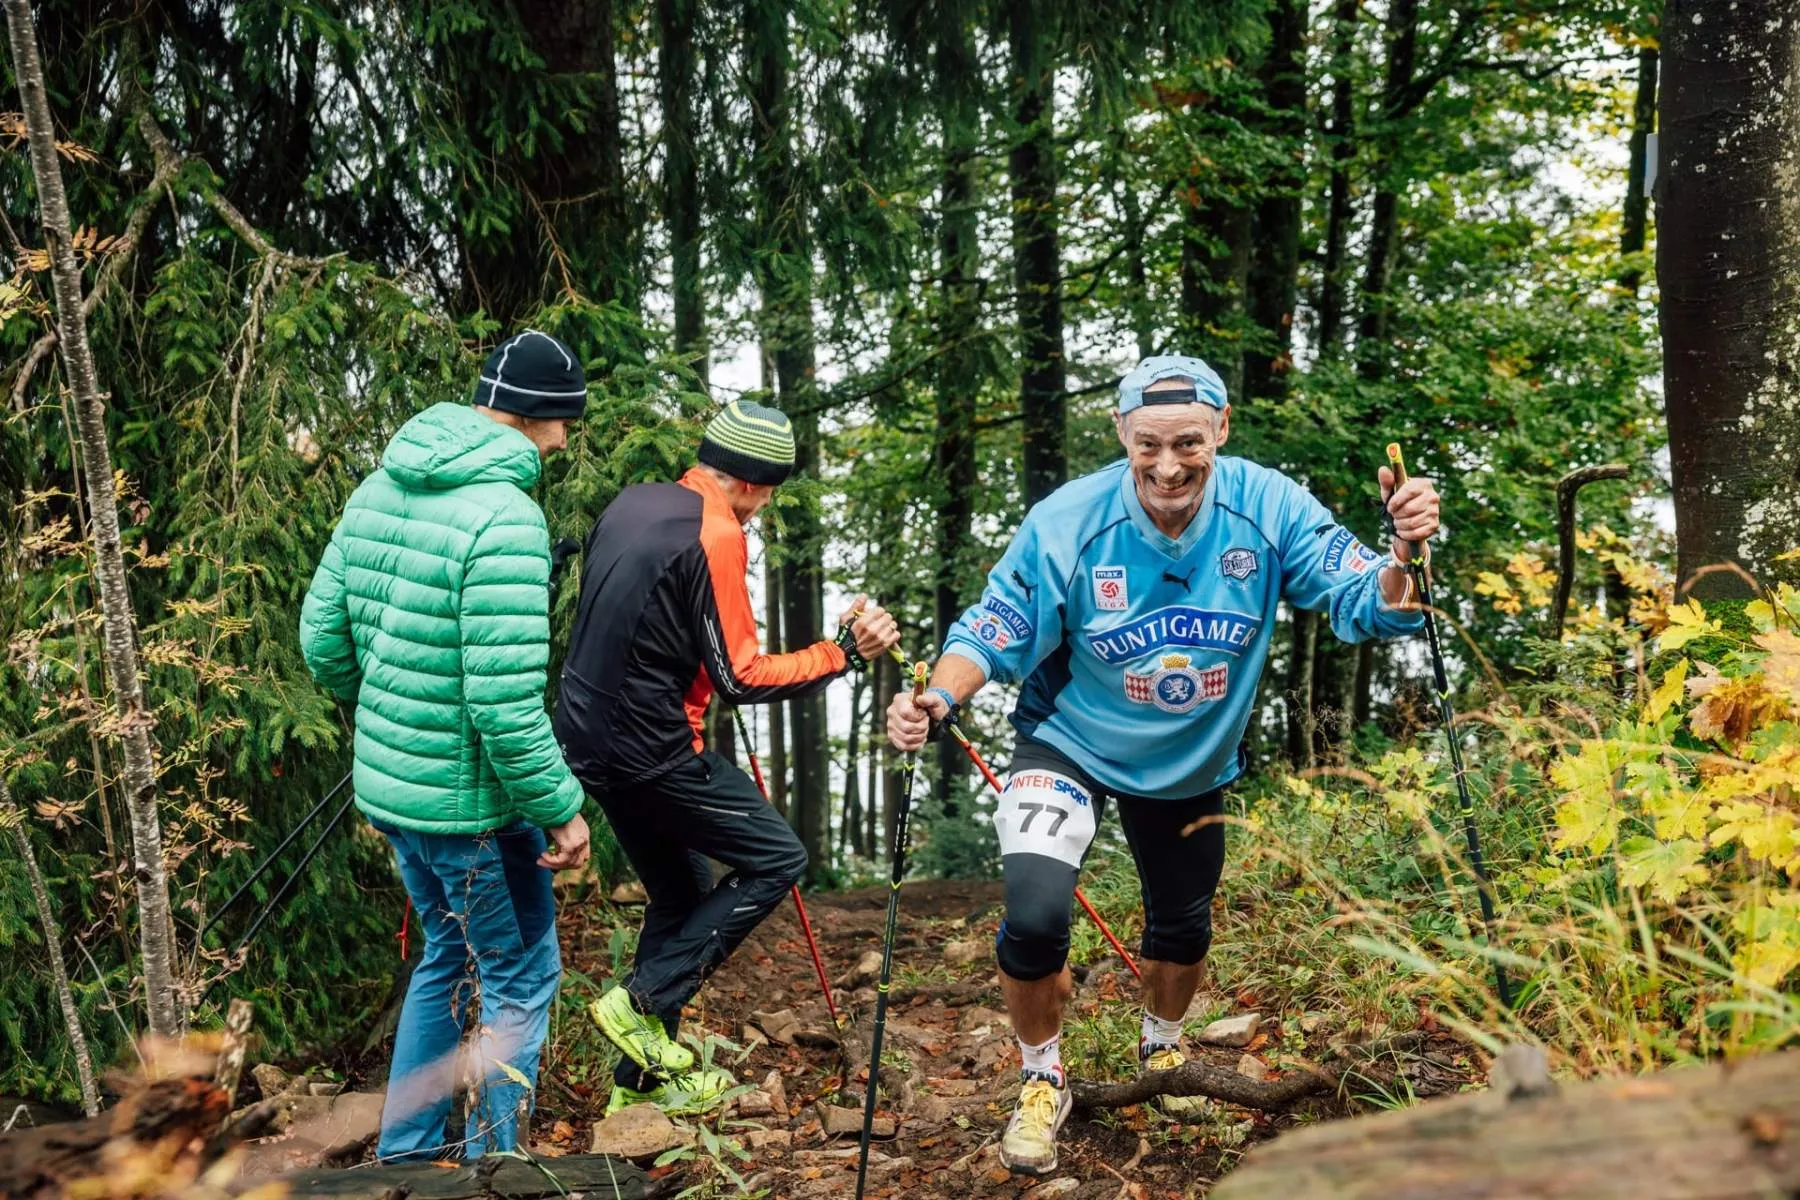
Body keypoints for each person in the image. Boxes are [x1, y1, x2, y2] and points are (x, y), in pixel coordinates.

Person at [885, 354, 1440, 1176]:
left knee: (1181, 928)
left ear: (1221, 429)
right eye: (1148, 444)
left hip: (1191, 760)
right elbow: (996, 624)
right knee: (1036, 916)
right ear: (1120, 435)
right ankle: (1043, 1080)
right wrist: (939, 696)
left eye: (1188, 442)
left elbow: (1373, 601)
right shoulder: (1069, 519)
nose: (1168, 465)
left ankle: (1164, 1054)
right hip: (1069, 740)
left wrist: (1405, 548)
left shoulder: (1268, 505)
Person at [554, 399, 901, 1115]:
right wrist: (845, 654)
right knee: (777, 857)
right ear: (751, 482)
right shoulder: (715, 533)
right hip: (650, 751)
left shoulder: (638, 502)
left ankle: (638, 1096)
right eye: (768, 493)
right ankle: (638, 1001)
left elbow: (658, 624)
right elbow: (741, 674)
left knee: (681, 896)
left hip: (591, 739)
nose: (763, 510)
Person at [299, 329, 593, 1161]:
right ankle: (494, 1164)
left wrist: (395, 712)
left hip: (394, 793)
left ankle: (403, 1150)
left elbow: (322, 642)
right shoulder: (506, 515)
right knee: (521, 976)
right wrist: (563, 811)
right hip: (472, 813)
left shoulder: (377, 487)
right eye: (562, 420)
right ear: (533, 415)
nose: (566, 439)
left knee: (442, 957)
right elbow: (502, 705)